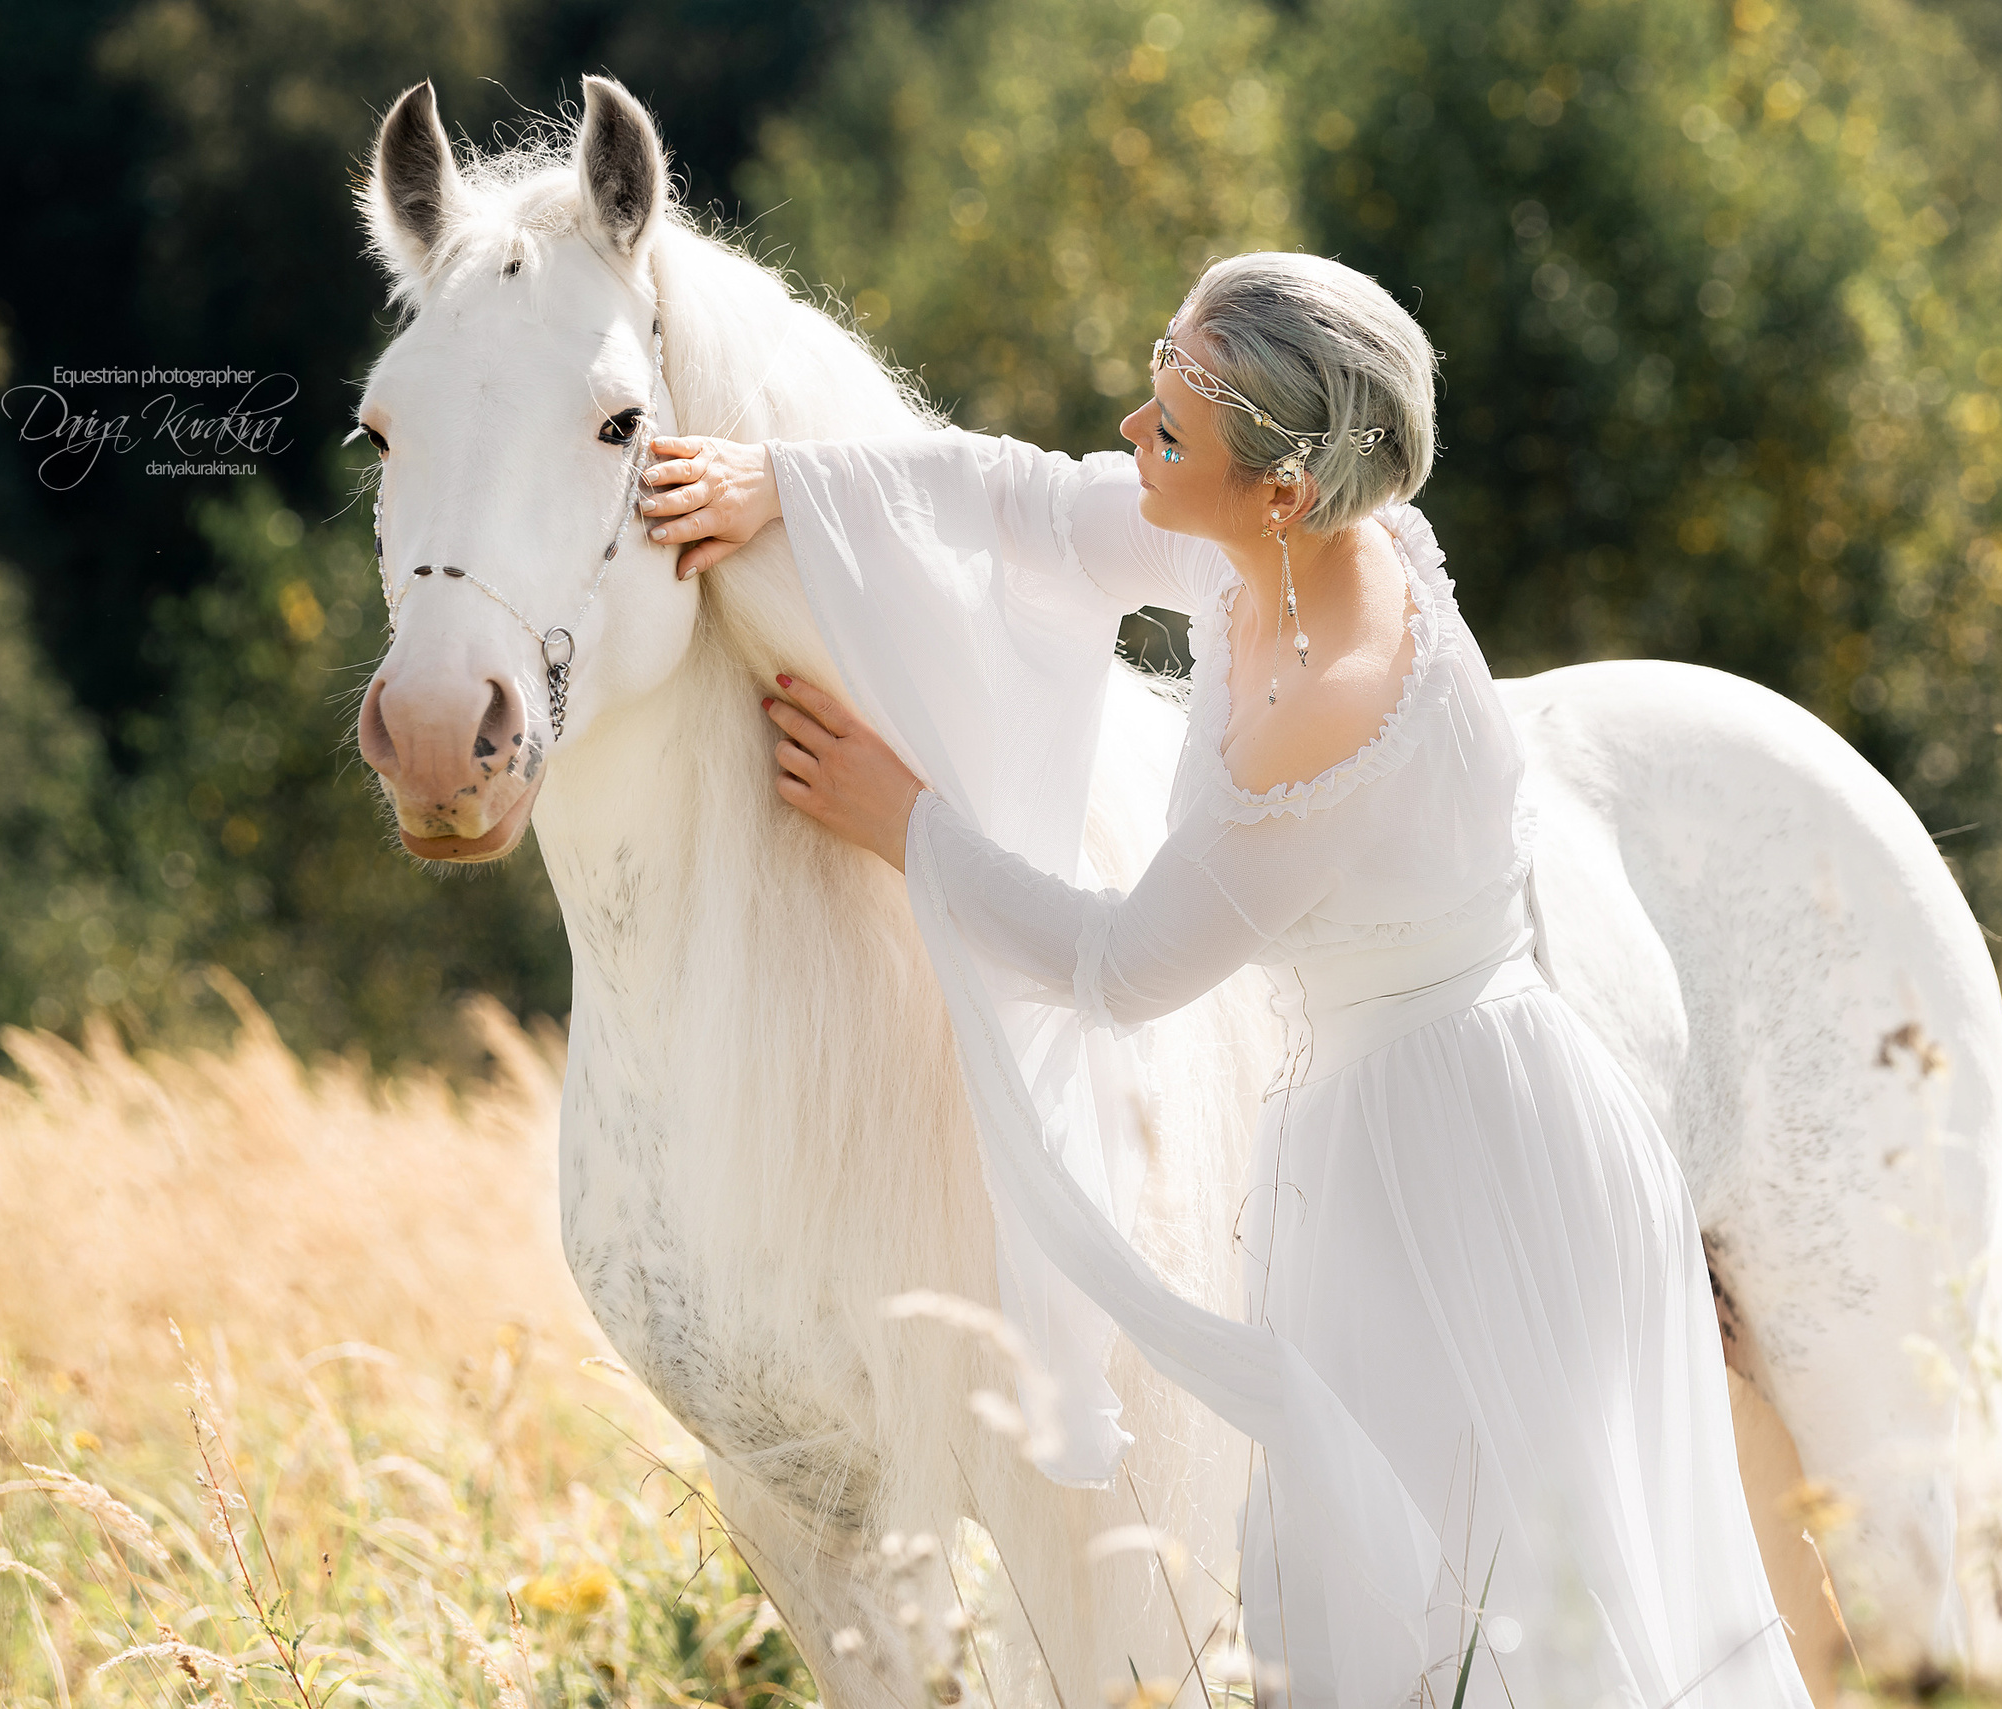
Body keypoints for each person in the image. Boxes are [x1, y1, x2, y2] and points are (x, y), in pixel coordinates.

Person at [636, 251, 1812, 1707]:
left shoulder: (1323, 708)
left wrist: (911, 822)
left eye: (1172, 428)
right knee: (1407, 1596)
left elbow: (1124, 966)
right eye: (1155, 383)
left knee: (1500, 1610)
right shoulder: (1274, 546)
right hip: (1397, 1121)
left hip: (1462, 1170)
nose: (1134, 433)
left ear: (1281, 490)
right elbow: (1040, 502)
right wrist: (788, 484)